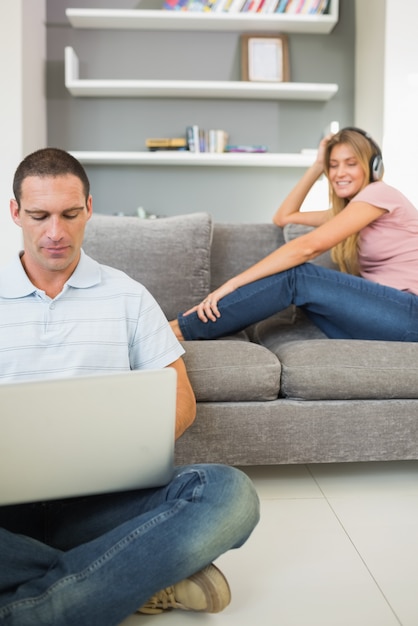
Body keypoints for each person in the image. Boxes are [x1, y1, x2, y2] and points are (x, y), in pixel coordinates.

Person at [0, 148, 260, 626]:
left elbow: (181, 400)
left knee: (230, 493)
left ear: (90, 209)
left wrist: (122, 445)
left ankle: (35, 606)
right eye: (38, 216)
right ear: (15, 212)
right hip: (3, 504)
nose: (55, 232)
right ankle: (133, 576)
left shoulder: (127, 294)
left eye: (69, 214)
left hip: (101, 499)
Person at [170, 127, 418, 343]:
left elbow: (308, 247)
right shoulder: (347, 212)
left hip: (409, 314)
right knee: (301, 289)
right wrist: (317, 165)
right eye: (333, 165)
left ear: (374, 167)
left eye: (351, 163)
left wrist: (232, 284)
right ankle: (180, 329)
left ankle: (178, 331)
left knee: (297, 277)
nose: (339, 173)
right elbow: (283, 217)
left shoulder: (379, 193)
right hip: (390, 317)